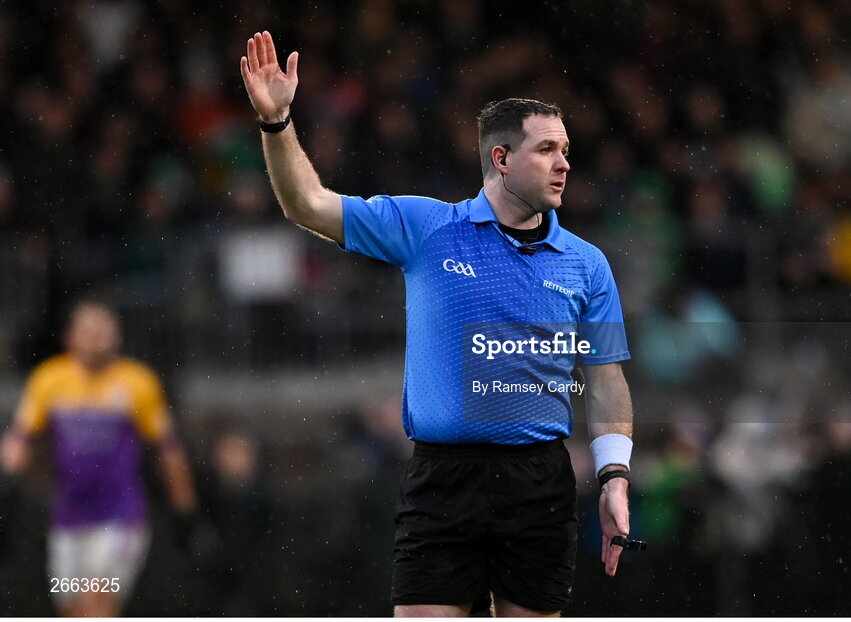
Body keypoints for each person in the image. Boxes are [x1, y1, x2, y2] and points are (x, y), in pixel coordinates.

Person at [240, 31, 634, 617]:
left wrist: (614, 478)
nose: (564, 163)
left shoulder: (588, 264)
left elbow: (605, 381)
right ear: (500, 159)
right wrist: (277, 125)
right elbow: (308, 204)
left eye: (566, 149)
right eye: (547, 149)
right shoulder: (426, 227)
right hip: (442, 479)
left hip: (539, 483)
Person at [0, 300, 197, 617]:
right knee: (70, 605)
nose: (102, 338)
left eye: (108, 331)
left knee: (96, 600)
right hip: (69, 519)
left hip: (120, 517)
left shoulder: (138, 382)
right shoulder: (49, 380)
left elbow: (170, 452)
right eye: (92, 331)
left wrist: (185, 510)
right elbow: (19, 440)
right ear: (71, 338)